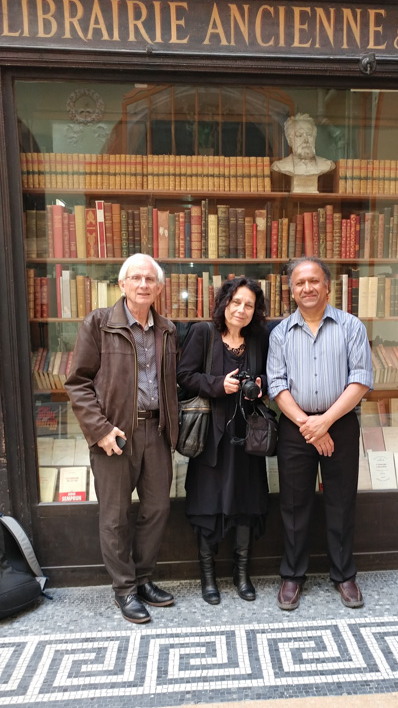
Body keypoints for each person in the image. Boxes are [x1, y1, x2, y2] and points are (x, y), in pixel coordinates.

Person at [65, 253, 178, 624]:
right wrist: (99, 430)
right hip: (114, 435)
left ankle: (143, 579)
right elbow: (77, 383)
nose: (143, 284)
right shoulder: (98, 323)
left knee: (157, 508)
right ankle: (124, 589)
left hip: (157, 432)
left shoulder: (167, 329)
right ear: (122, 284)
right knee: (115, 515)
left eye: (150, 279)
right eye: (136, 278)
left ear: (159, 287)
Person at [267, 258, 373, 611]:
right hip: (296, 426)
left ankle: (344, 575)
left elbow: (360, 380)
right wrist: (309, 425)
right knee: (294, 504)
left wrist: (325, 421)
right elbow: (277, 385)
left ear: (328, 286)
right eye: (300, 283)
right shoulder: (280, 332)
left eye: (314, 281)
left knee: (340, 502)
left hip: (339, 423)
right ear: (292, 289)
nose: (307, 288)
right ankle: (292, 576)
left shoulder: (351, 326)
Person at [177, 277, 269, 605]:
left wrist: (260, 384)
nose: (241, 310)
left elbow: (270, 378)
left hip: (248, 438)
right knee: (207, 504)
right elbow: (184, 375)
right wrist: (219, 385)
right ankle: (208, 577)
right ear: (224, 304)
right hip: (210, 438)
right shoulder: (203, 333)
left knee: (246, 503)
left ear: (256, 311)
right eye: (236, 303)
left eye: (249, 305)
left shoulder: (258, 339)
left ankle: (242, 574)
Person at [271, 113, 334, 193]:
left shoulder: (327, 165)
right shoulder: (279, 166)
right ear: (290, 140)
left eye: (309, 135)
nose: (306, 140)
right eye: (299, 135)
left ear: (314, 138)